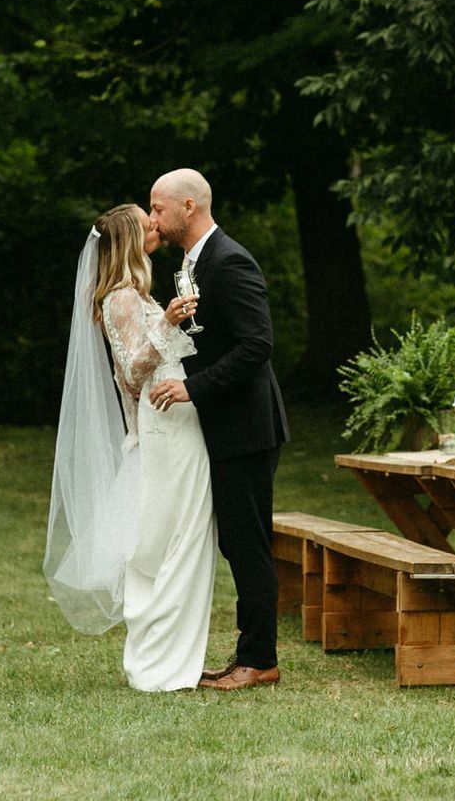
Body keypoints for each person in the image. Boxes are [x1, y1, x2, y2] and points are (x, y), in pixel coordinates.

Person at [42, 203, 214, 691]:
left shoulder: (136, 294)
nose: (156, 225)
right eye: (147, 221)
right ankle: (161, 664)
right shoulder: (119, 298)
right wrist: (169, 324)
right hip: (164, 428)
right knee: (168, 543)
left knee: (181, 540)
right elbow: (133, 373)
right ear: (128, 239)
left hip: (175, 425)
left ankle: (170, 659)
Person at [146, 168, 290, 692]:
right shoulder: (193, 263)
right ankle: (246, 655)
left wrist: (194, 387)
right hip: (224, 427)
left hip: (248, 427)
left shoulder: (230, 261)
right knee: (235, 541)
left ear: (188, 206)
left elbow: (257, 346)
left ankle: (260, 660)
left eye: (159, 208)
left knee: (247, 542)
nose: (153, 219)